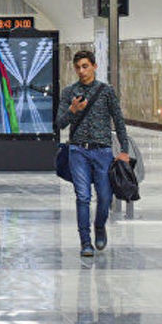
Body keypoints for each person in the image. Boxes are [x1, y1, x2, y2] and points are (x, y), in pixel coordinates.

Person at [56, 49, 132, 258]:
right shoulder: (69, 92)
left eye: (85, 66)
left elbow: (118, 121)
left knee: (105, 197)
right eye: (78, 67)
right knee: (83, 196)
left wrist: (124, 150)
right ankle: (85, 241)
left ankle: (99, 226)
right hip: (78, 150)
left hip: (103, 151)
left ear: (94, 66)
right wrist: (72, 110)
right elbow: (60, 123)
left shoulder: (106, 91)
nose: (81, 71)